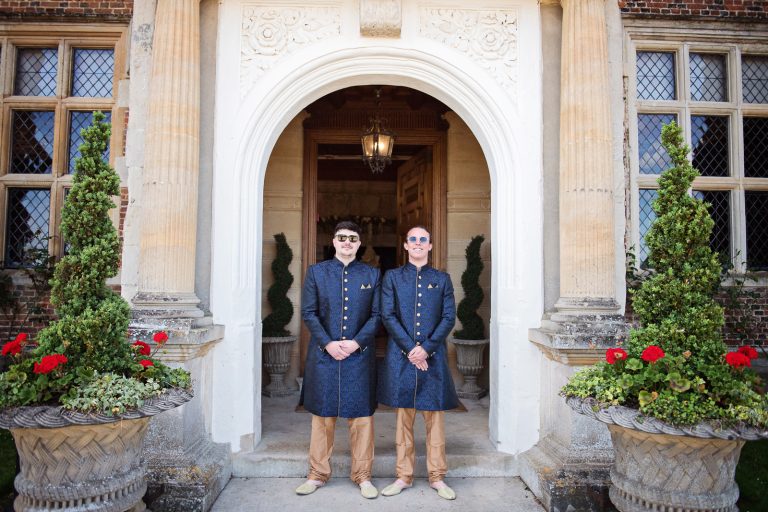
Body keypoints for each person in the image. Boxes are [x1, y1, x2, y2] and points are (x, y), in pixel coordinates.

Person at [295, 221, 381, 499]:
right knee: (323, 416)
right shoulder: (317, 273)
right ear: (334, 241)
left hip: (360, 355)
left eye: (352, 238)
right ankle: (317, 474)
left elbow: (377, 316)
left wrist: (356, 343)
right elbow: (309, 312)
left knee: (361, 418)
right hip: (325, 355)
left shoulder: (372, 274)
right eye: (342, 237)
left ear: (359, 243)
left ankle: (363, 476)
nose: (347, 242)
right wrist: (329, 343)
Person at [378, 225, 459, 500]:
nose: (417, 243)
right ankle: (404, 476)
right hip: (402, 358)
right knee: (403, 421)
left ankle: (437, 477)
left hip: (432, 359)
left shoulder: (443, 279)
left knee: (435, 421)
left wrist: (426, 349)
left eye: (423, 239)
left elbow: (448, 317)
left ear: (430, 246)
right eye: (412, 239)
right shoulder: (392, 277)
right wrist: (412, 349)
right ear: (405, 245)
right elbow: (388, 316)